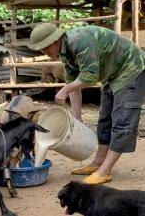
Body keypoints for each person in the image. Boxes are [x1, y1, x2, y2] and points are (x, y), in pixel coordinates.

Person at [27, 23, 145, 184]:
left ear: (54, 40)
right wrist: (77, 118)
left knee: (122, 121)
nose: (43, 52)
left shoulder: (78, 41)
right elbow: (75, 83)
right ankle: (98, 163)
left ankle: (105, 170)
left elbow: (89, 76)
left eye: (44, 47)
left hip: (131, 68)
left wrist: (65, 89)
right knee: (105, 120)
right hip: (112, 74)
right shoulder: (66, 53)